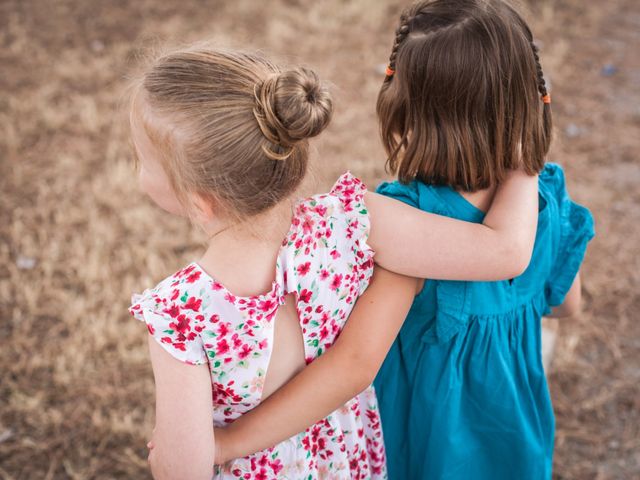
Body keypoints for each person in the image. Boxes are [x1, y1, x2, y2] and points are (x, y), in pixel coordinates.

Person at [207, 1, 595, 479]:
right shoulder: (545, 196)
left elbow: (353, 365)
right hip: (514, 438)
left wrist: (229, 441)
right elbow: (565, 304)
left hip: (425, 445)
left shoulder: (408, 224)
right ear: (531, 96)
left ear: (404, 105)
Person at [129, 43, 539, 479]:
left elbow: (182, 470)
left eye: (141, 159)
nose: (136, 167)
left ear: (199, 202)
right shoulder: (354, 222)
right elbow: (505, 252)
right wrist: (524, 158)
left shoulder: (180, 315)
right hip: (345, 464)